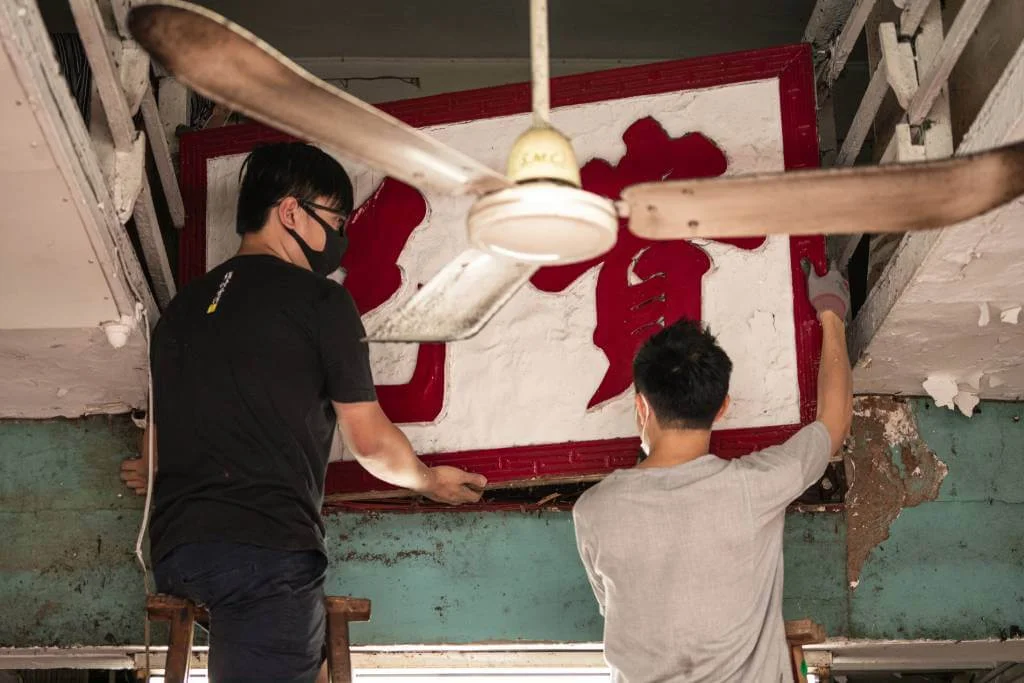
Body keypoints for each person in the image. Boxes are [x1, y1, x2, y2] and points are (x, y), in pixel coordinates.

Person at [120, 142, 487, 683]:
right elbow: (370, 443)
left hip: (177, 554)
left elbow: (150, 454)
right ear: (290, 212)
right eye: (336, 221)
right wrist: (430, 481)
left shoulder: (179, 311)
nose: (340, 237)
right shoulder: (321, 301)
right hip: (264, 551)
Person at [572, 263, 853, 682]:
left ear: (641, 405)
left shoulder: (593, 511)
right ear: (723, 408)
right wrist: (831, 310)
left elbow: (613, 605)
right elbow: (834, 424)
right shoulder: (756, 487)